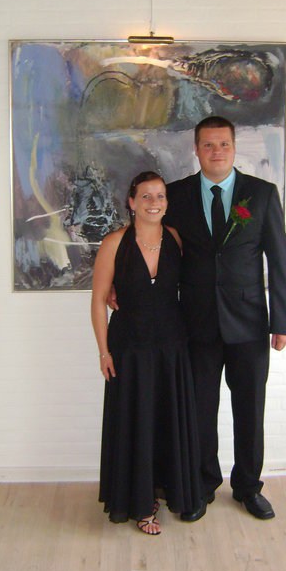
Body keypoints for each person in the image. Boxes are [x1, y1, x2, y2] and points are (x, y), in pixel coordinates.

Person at [164, 116, 286, 521]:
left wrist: (283, 321)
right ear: (196, 149)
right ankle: (203, 485)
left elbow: (279, 259)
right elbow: (158, 251)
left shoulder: (262, 194)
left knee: (250, 411)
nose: (216, 151)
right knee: (200, 411)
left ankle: (248, 487)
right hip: (196, 324)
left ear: (234, 148)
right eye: (208, 144)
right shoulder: (176, 195)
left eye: (223, 144)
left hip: (250, 325)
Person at [91, 171, 201, 535]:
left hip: (172, 347)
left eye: (160, 196)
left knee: (166, 420)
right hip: (129, 348)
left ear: (167, 202)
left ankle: (169, 491)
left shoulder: (175, 239)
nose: (154, 203)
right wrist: (104, 352)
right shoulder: (114, 242)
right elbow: (98, 300)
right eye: (146, 196)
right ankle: (141, 503)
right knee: (136, 421)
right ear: (132, 201)